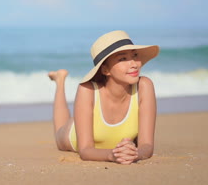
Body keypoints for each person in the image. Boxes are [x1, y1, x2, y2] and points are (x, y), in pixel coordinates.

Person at [48, 30, 159, 165]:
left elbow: (147, 145)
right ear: (105, 70)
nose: (134, 64)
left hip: (109, 139)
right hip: (73, 136)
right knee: (62, 128)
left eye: (135, 55)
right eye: (123, 59)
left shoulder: (144, 86)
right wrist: (112, 155)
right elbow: (85, 151)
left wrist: (136, 154)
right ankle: (60, 81)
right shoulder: (87, 90)